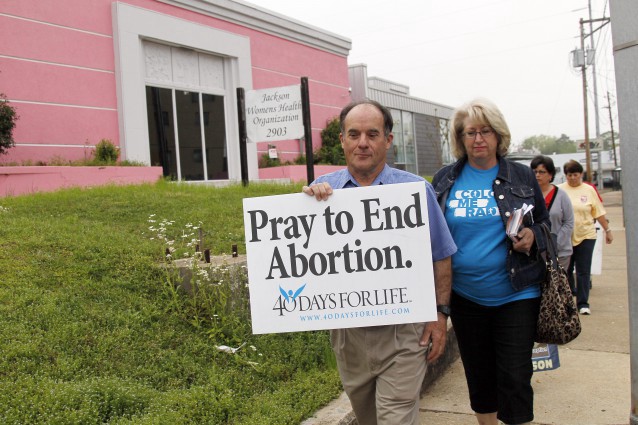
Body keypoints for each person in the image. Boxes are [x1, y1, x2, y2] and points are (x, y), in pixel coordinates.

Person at [302, 99, 457, 425]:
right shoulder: (320, 194)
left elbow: (441, 255)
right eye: (354, 134)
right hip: (349, 335)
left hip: (405, 332)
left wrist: (440, 316)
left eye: (372, 134)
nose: (362, 143)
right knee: (368, 418)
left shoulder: (416, 191)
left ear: (388, 140)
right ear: (342, 140)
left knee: (396, 419)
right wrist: (308, 209)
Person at [431, 98, 550, 425]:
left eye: (485, 131)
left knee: (515, 376)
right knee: (480, 376)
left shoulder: (522, 177)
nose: (478, 139)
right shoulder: (444, 180)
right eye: (470, 132)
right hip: (466, 298)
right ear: (460, 138)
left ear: (499, 135)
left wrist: (533, 236)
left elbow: (545, 223)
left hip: (516, 293)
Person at [558, 159, 613, 315]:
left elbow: (598, 212)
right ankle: (567, 302)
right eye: (569, 175)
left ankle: (583, 303)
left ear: (580, 174)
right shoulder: (559, 190)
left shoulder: (589, 190)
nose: (573, 178)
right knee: (566, 271)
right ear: (565, 175)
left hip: (586, 235)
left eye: (575, 175)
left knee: (583, 271)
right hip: (565, 237)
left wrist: (607, 230)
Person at [530, 155, 574, 270]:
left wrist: (554, 244)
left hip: (560, 252)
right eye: (534, 172)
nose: (537, 175)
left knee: (556, 286)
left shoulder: (561, 195)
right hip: (535, 252)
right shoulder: (527, 195)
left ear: (550, 175)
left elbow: (569, 222)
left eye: (541, 172)